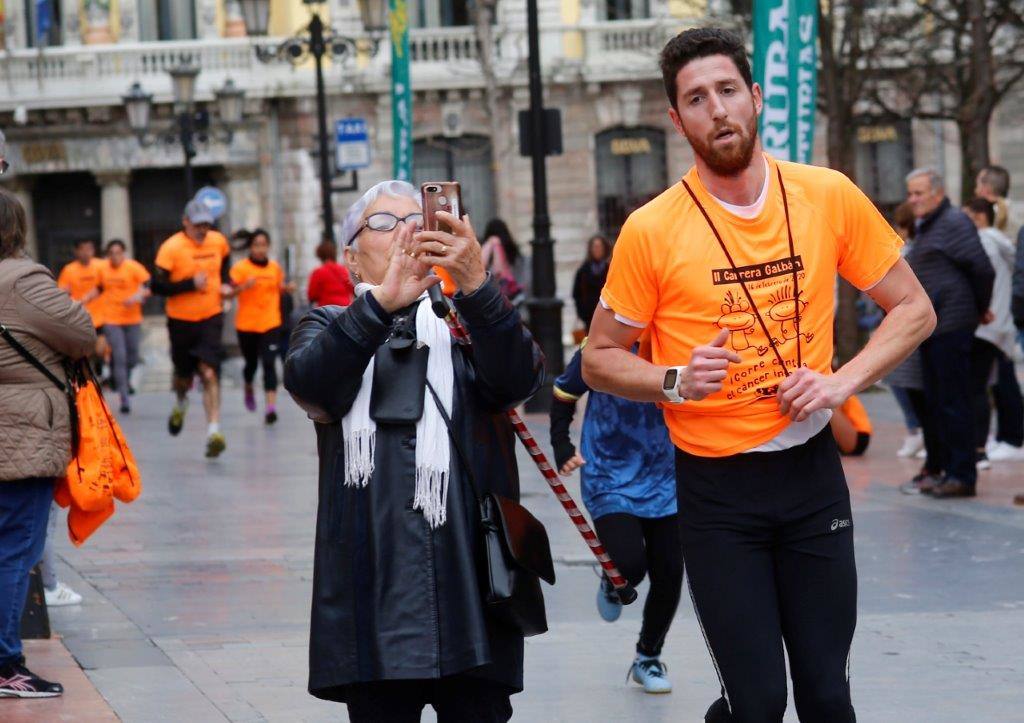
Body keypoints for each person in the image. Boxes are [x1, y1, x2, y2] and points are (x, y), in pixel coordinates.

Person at [581, 28, 935, 721]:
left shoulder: (825, 194)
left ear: (757, 96)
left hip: (810, 478)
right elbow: (598, 357)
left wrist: (841, 382)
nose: (717, 109)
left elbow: (915, 308)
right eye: (696, 99)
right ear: (677, 120)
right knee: (759, 704)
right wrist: (675, 380)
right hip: (716, 494)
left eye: (726, 90)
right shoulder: (651, 230)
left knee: (829, 698)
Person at [284, 180, 544, 721]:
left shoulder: (469, 325)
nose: (405, 230)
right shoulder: (329, 325)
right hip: (371, 594)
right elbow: (312, 383)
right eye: (383, 223)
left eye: (415, 218)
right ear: (352, 260)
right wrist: (380, 308)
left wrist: (477, 286)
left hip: (470, 587)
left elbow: (519, 379)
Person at [0, 187, 96, 697]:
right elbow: (81, 332)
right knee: (17, 548)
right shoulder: (22, 279)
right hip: (18, 435)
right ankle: (5, 663)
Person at [549, 342, 682, 694]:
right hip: (610, 473)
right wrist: (561, 444)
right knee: (629, 565)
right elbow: (564, 391)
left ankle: (647, 657)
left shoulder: (676, 335)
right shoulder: (599, 346)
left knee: (669, 573)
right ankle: (614, 580)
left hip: (667, 475)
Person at [901, 169, 995, 498]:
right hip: (933, 326)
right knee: (939, 401)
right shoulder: (930, 224)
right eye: (910, 193)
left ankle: (962, 475)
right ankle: (947, 471)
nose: (912, 199)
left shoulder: (954, 221)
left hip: (952, 323)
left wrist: (978, 308)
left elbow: (982, 268)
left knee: (954, 401)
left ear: (938, 194)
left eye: (918, 193)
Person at [152, 200, 232, 458]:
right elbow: (157, 287)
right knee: (184, 377)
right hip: (181, 321)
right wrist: (189, 285)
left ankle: (214, 431)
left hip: (211, 315)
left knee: (209, 372)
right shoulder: (170, 248)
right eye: (198, 225)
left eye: (207, 224)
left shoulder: (218, 241)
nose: (203, 230)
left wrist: (227, 285)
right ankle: (181, 402)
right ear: (186, 222)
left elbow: (225, 268)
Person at [963, 198, 1024, 463]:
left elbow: (982, 277)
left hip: (986, 325)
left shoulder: (984, 243)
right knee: (999, 383)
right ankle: (1004, 438)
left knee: (979, 387)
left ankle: (982, 448)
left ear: (979, 216)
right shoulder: (1000, 242)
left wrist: (981, 310)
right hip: (1000, 324)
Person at [230, 229, 294, 425]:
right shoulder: (240, 268)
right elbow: (228, 292)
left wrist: (286, 289)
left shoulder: (274, 268)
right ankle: (248, 385)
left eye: (263, 244)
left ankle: (270, 408)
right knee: (251, 364)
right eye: (256, 245)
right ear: (250, 247)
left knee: (269, 363)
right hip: (247, 325)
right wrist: (242, 287)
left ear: (268, 246)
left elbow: (278, 287)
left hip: (270, 323)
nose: (260, 249)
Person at [884, 202, 926, 458]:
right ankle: (917, 430)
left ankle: (916, 429)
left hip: (906, 325)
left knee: (901, 380)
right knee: (902, 381)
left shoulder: (907, 251)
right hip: (905, 323)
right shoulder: (910, 248)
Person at [98, 239, 150, 414]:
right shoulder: (103, 269)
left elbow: (149, 286)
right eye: (111, 253)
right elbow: (98, 288)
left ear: (124, 253)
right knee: (119, 356)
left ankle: (123, 380)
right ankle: (124, 397)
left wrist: (136, 296)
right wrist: (82, 300)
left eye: (118, 252)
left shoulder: (134, 267)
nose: (114, 256)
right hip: (112, 319)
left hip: (133, 319)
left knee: (132, 357)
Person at [57, 238, 108, 376]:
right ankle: (91, 375)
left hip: (100, 316)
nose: (86, 252)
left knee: (100, 349)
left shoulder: (102, 266)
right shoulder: (69, 270)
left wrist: (97, 291)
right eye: (83, 249)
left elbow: (107, 284)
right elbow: (61, 290)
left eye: (89, 249)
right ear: (76, 251)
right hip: (79, 317)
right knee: (84, 351)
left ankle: (100, 366)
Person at [572, 234, 612, 332]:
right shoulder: (583, 271)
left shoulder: (610, 269)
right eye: (595, 246)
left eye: (599, 246)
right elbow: (576, 293)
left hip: (607, 317)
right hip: (589, 317)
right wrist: (582, 312)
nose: (597, 250)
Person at [480, 219, 524, 303]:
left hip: (507, 296)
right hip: (504, 296)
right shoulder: (488, 250)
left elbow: (498, 272)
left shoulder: (510, 251)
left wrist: (495, 245)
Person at [306, 237, 354, 308]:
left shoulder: (318, 272)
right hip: (344, 308)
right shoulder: (343, 270)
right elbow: (352, 288)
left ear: (320, 255)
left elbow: (312, 295)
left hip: (327, 310)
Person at [975, 165, 1019, 239]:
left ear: (986, 188)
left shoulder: (986, 215)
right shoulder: (1015, 210)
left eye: (977, 185)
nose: (975, 190)